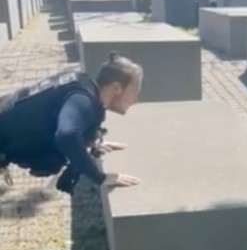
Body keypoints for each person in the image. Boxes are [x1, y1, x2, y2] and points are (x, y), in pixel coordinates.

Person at [0, 51, 142, 195]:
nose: (136, 100)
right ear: (117, 88)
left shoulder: (82, 83)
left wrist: (92, 142)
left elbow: (65, 117)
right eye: (134, 92)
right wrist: (100, 177)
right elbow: (67, 135)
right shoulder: (83, 100)